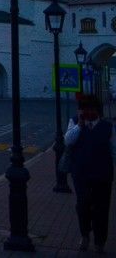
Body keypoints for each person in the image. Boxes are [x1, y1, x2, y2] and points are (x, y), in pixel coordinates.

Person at [65, 95, 116, 252]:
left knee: (102, 208)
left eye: (90, 109)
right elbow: (68, 141)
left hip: (102, 174)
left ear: (97, 111)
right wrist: (80, 126)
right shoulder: (75, 122)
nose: (86, 112)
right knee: (83, 205)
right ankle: (85, 235)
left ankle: (100, 241)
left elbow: (113, 150)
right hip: (81, 174)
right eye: (83, 109)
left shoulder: (107, 127)